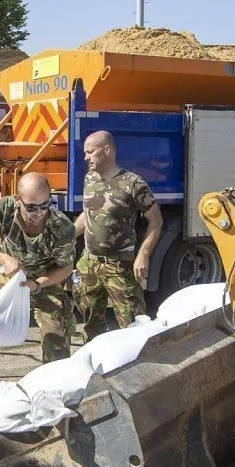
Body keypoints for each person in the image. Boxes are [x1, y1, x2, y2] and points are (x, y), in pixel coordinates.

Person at [0, 173, 76, 382]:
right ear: (18, 200)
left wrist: (37, 285)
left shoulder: (61, 227)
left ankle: (54, 390)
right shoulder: (4, 210)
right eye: (31, 207)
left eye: (45, 205)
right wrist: (3, 258)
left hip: (44, 284)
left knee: (56, 338)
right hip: (9, 283)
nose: (39, 213)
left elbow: (65, 268)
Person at [75, 130, 163, 342]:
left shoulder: (132, 183)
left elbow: (156, 220)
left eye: (90, 152)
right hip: (90, 264)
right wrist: (67, 235)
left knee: (134, 325)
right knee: (90, 326)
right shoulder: (90, 178)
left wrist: (143, 254)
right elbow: (88, 215)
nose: (86, 157)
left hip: (119, 266)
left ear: (106, 150)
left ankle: (141, 370)